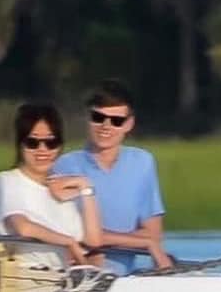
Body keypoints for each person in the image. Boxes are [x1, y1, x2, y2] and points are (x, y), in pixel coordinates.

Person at [51, 79, 171, 274]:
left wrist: (147, 240)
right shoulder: (64, 165)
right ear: (87, 117)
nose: (106, 126)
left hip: (126, 280)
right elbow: (74, 235)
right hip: (79, 276)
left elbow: (153, 234)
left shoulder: (142, 163)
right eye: (98, 117)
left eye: (116, 121)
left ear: (129, 124)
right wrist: (144, 242)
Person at [0, 103, 102, 269]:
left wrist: (85, 186)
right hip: (20, 282)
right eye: (33, 143)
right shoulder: (8, 180)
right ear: (20, 144)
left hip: (63, 285)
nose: (42, 150)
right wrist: (67, 242)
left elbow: (94, 240)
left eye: (51, 143)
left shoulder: (63, 189)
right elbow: (22, 227)